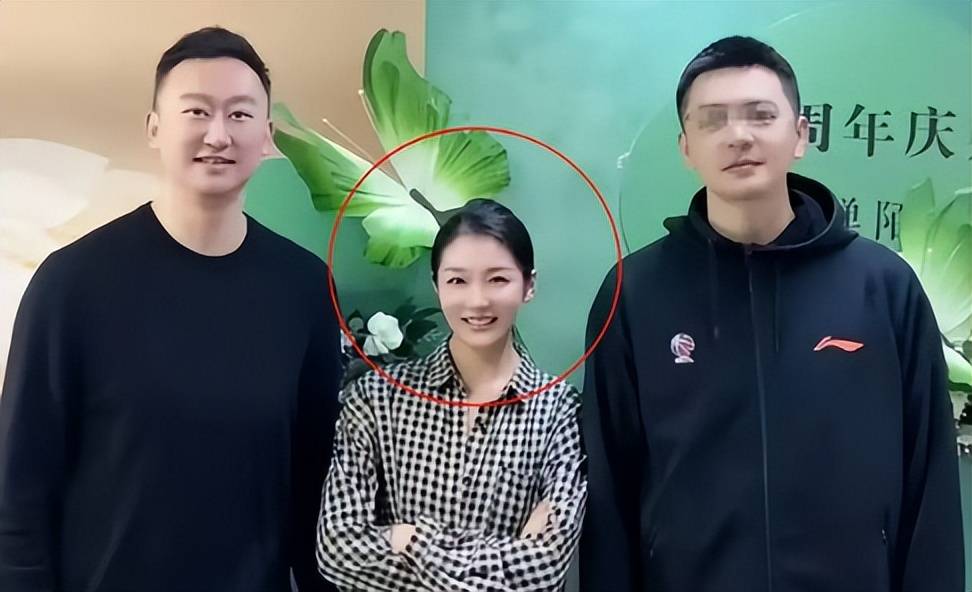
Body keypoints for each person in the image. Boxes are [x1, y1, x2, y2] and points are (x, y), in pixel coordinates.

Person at [580, 35, 964, 592]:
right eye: (713, 120)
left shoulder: (882, 286)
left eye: (761, 115)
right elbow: (609, 490)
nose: (739, 135)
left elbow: (930, 482)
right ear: (686, 148)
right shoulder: (635, 292)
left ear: (800, 135)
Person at [0, 26, 341, 592]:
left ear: (266, 137)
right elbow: (20, 487)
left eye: (239, 114)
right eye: (196, 111)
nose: (218, 134)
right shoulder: (72, 283)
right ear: (155, 128)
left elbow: (314, 484)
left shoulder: (304, 288)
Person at [317, 199, 587, 591]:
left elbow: (544, 569)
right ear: (436, 285)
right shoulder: (375, 399)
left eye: (497, 279)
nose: (477, 300)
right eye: (458, 281)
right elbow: (337, 549)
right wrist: (506, 555)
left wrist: (411, 539)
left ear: (529, 285)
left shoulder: (559, 411)